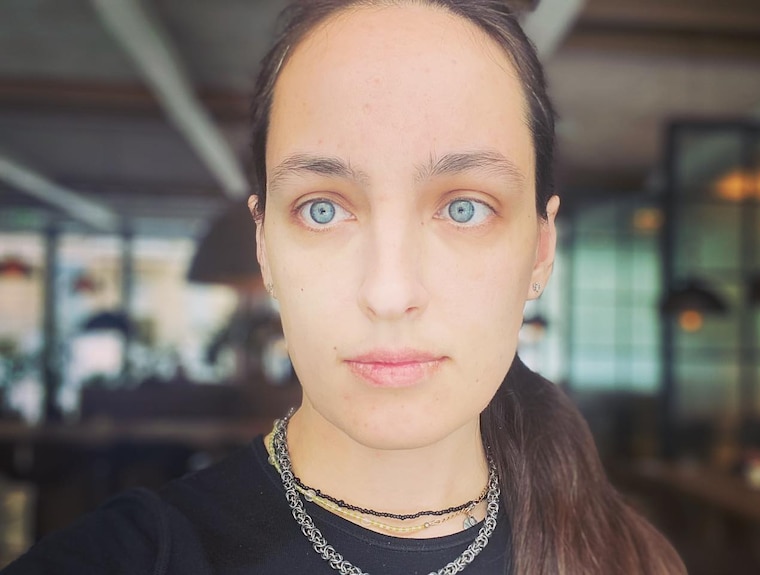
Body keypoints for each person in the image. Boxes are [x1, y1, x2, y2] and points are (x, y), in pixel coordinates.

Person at [3, 1, 685, 573]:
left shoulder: (630, 556)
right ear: (265, 246)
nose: (389, 294)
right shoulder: (136, 557)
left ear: (540, 248)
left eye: (464, 206)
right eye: (322, 208)